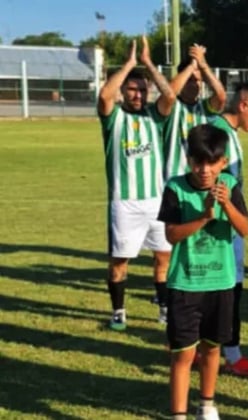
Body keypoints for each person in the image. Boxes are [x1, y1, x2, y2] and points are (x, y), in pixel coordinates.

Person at [158, 124, 248, 420]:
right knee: (184, 354)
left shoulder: (229, 185)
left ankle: (207, 405)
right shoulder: (175, 188)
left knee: (212, 349)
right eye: (198, 162)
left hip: (220, 282)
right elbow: (171, 235)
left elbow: (245, 229)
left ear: (223, 162)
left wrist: (226, 204)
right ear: (189, 160)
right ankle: (178, 414)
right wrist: (205, 216)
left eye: (212, 163)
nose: (205, 170)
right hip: (185, 284)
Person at [97, 36, 176, 330]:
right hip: (124, 203)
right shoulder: (113, 118)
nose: (138, 94)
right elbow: (105, 96)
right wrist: (129, 64)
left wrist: (148, 64)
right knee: (120, 260)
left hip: (156, 201)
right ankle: (118, 311)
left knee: (163, 257)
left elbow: (170, 97)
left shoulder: (155, 117)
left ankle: (164, 308)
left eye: (143, 90)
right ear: (123, 91)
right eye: (132, 89)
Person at [207, 80, 248, 377]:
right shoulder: (217, 132)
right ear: (244, 105)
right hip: (220, 230)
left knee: (230, 291)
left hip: (231, 226)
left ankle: (217, 352)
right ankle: (230, 356)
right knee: (225, 292)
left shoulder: (228, 133)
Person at [164, 43, 227, 180]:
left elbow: (221, 96)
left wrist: (203, 65)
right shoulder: (170, 106)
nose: (194, 84)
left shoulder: (204, 108)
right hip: (173, 179)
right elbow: (168, 93)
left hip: (200, 178)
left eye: (197, 80)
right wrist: (191, 66)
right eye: (189, 80)